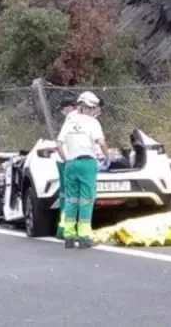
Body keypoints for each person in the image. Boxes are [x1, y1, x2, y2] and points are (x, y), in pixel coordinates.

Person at [55, 91, 110, 249]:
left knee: (71, 200)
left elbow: (58, 144)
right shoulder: (92, 123)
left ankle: (69, 235)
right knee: (86, 200)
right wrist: (108, 157)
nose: (94, 112)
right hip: (87, 163)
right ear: (87, 107)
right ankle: (84, 236)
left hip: (71, 164)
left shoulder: (69, 121)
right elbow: (101, 142)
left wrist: (67, 160)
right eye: (93, 108)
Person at [55, 97, 77, 240]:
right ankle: (67, 229)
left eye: (64, 108)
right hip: (71, 160)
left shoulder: (71, 118)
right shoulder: (75, 118)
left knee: (65, 196)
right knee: (73, 197)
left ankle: (62, 228)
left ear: (69, 107)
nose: (63, 111)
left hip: (64, 160)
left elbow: (59, 143)